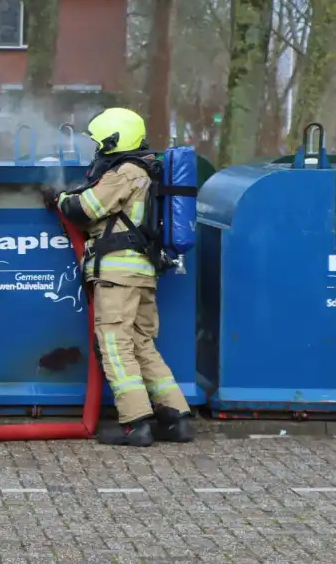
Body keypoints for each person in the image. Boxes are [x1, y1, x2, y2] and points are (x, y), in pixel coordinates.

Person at [42, 107, 195, 447]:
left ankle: (135, 422)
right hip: (141, 271)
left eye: (100, 143)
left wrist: (60, 199)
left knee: (114, 344)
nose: (97, 150)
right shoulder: (149, 171)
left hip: (118, 271)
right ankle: (176, 417)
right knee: (142, 344)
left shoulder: (126, 171)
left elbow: (85, 210)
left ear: (115, 140)